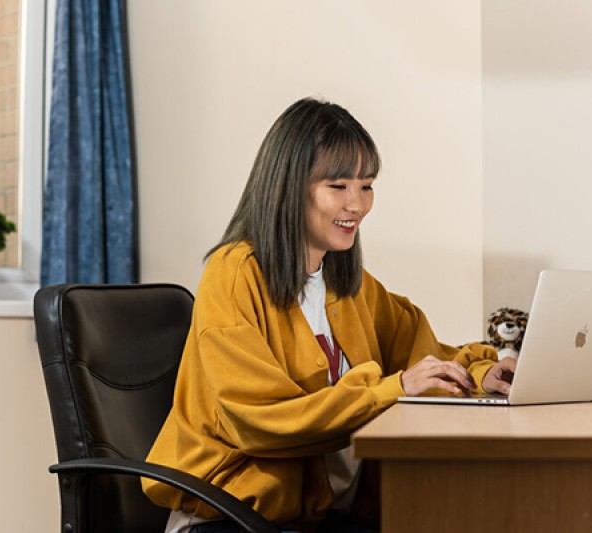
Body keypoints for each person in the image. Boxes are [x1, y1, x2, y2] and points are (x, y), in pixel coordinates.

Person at [143, 97, 517, 533]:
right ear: (288, 186)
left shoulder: (344, 280)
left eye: (367, 185)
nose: (356, 205)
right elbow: (258, 420)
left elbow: (420, 354)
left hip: (320, 516)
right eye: (338, 186)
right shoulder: (233, 274)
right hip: (235, 517)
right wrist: (389, 390)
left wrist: (480, 373)